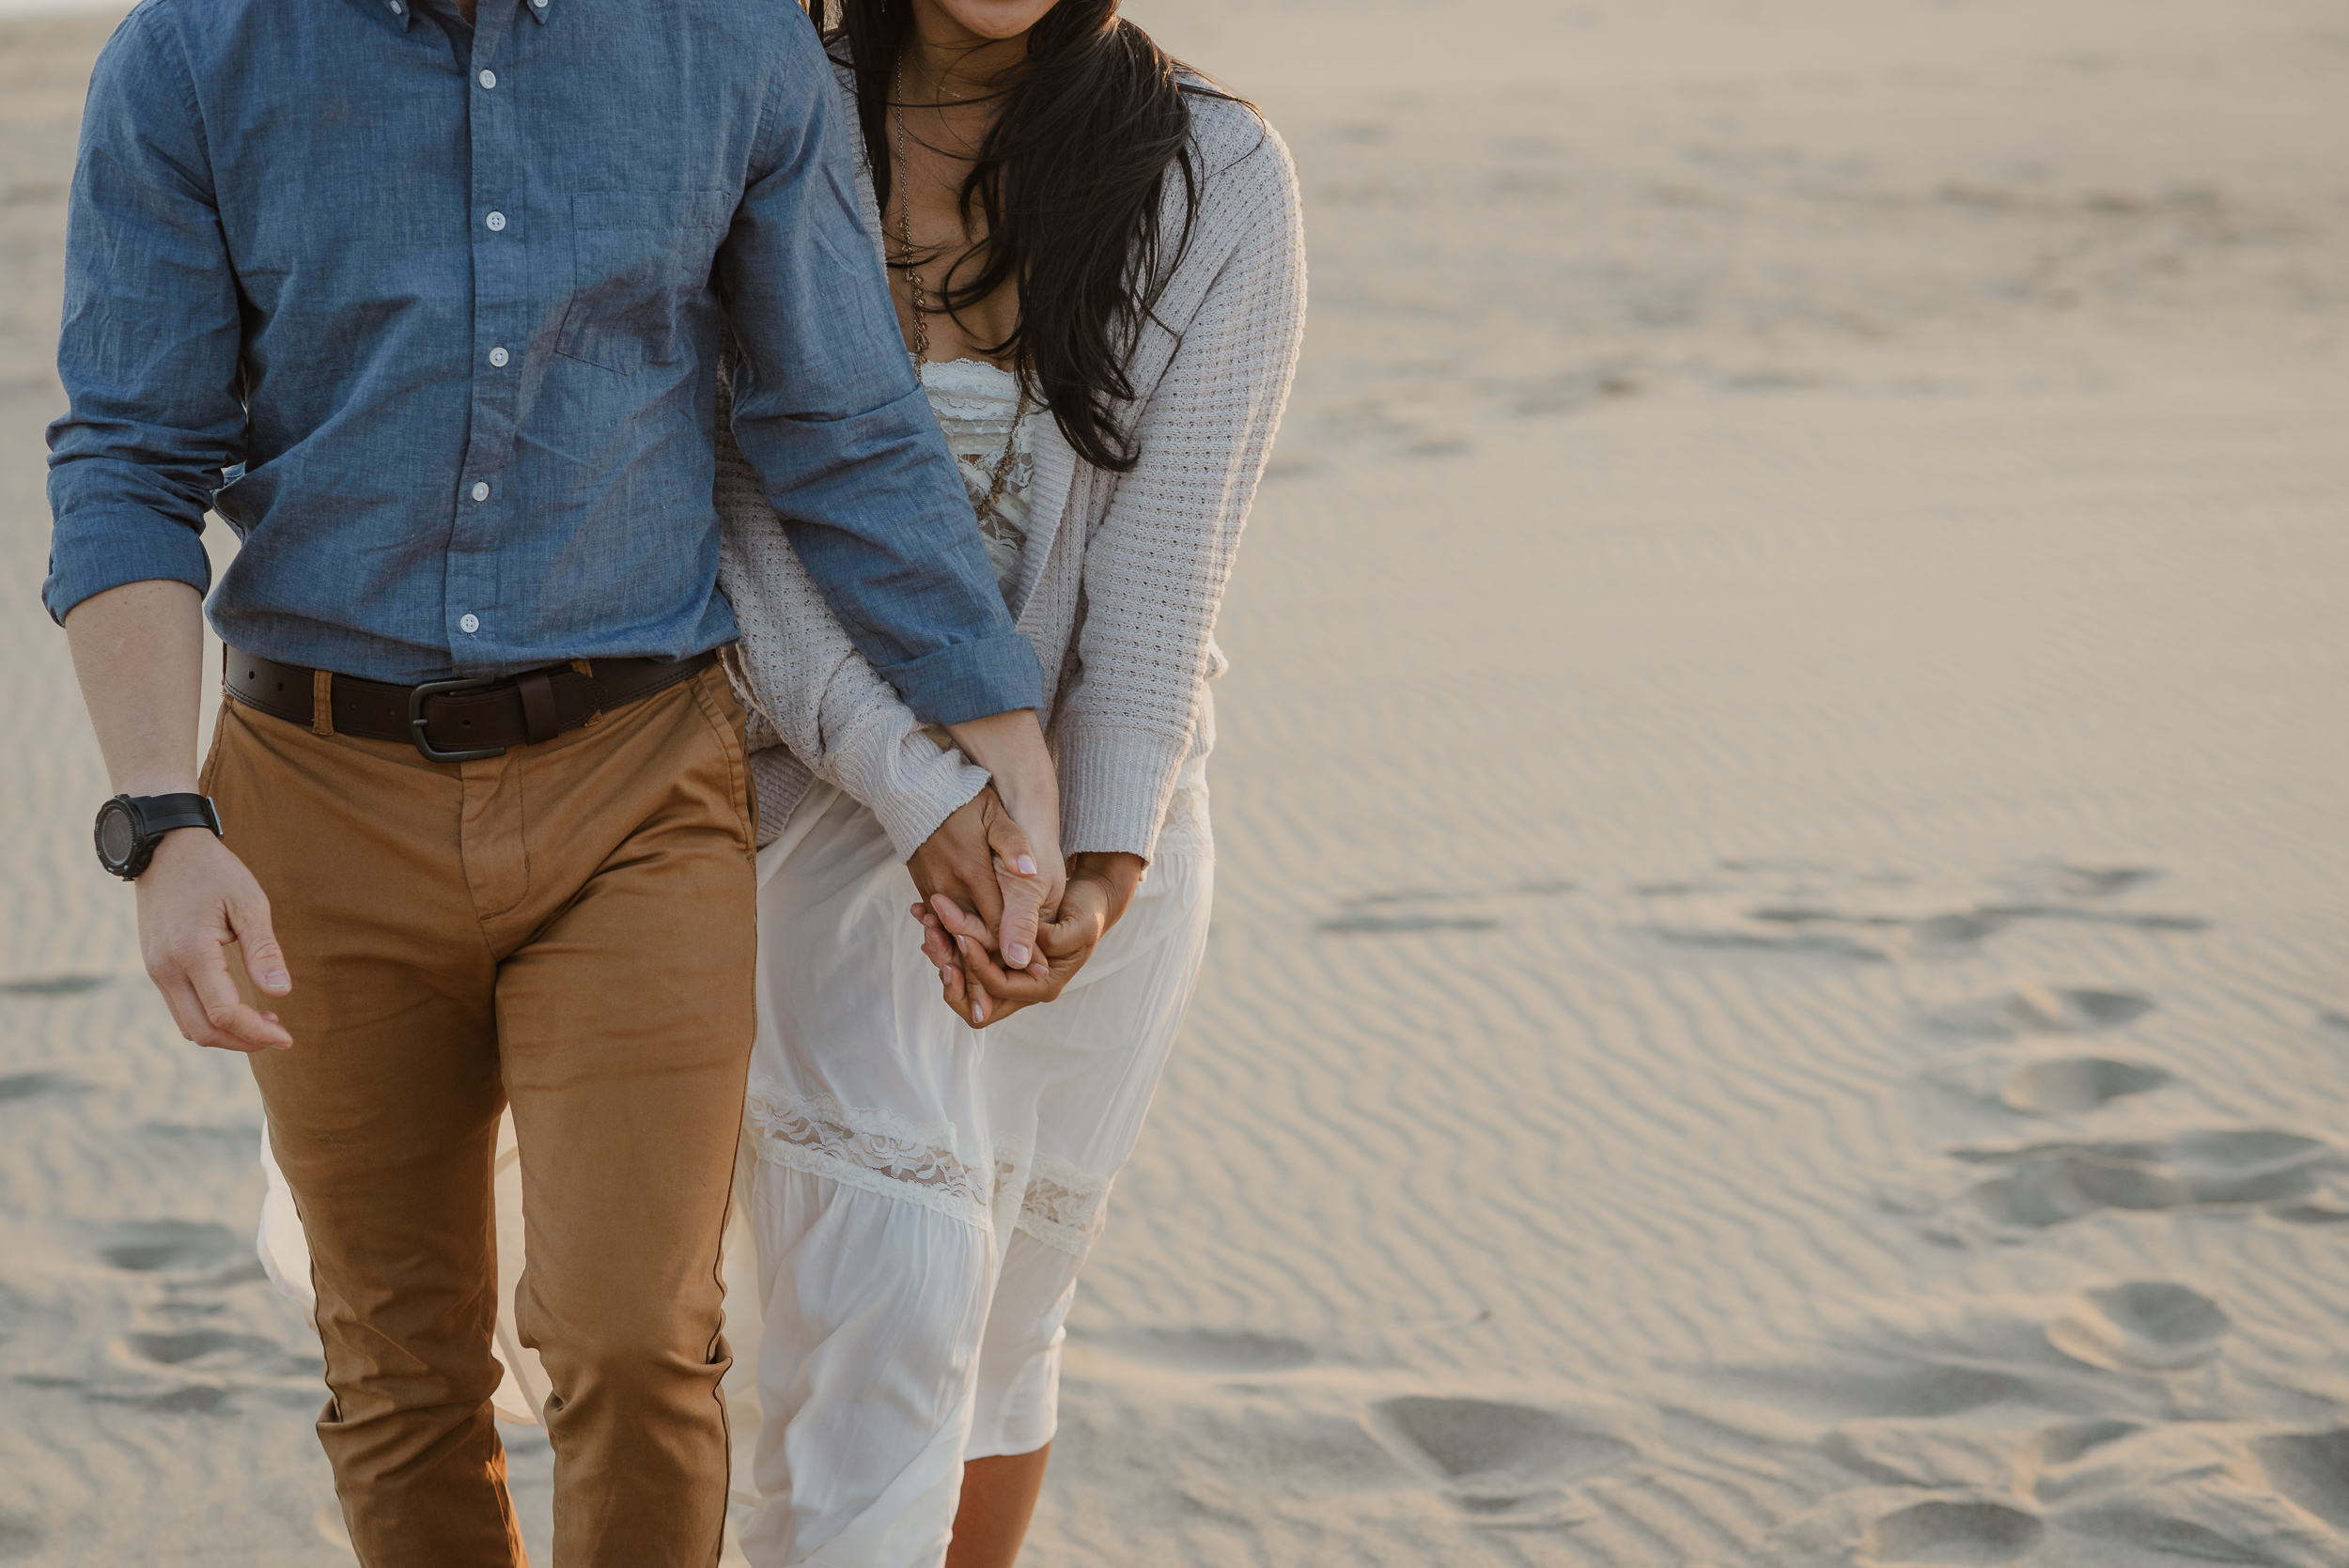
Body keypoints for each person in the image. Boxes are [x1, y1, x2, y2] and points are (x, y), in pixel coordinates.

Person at [43, 0, 1063, 1561]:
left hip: (637, 790)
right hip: (316, 794)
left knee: (638, 1340)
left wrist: (1001, 730)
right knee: (398, 1365)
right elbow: (127, 455)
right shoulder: (191, 54)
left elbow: (840, 423)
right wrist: (160, 820)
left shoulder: (726, 42)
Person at [713, 0, 1306, 1561]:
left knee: (1001, 1332)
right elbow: (732, 527)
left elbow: (1167, 588)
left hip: (1103, 838)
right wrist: (924, 794)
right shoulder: (760, 94)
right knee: (881, 1306)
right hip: (819, 809)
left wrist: (1099, 878)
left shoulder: (1217, 173)